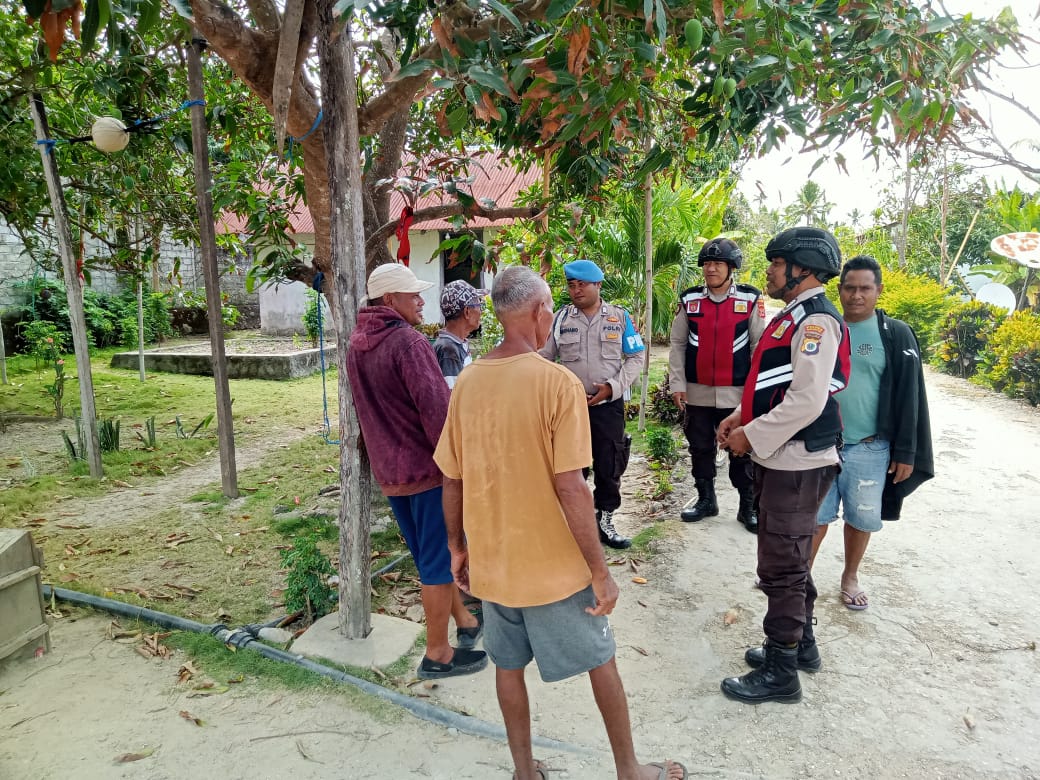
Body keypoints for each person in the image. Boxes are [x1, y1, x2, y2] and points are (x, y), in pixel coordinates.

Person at [434, 265, 687, 780]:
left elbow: (452, 480)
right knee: (602, 659)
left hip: (495, 564)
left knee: (507, 669)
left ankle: (525, 772)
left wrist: (457, 548)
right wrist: (600, 570)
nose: (554, 312)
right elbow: (571, 485)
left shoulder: (469, 382)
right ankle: (629, 770)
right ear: (537, 312)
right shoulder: (557, 384)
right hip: (552, 567)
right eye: (550, 305)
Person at [715, 227, 851, 704]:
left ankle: (781, 670)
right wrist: (740, 414)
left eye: (777, 262)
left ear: (804, 269)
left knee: (782, 565)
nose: (770, 270)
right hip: (784, 456)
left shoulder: (816, 321)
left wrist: (749, 436)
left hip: (796, 460)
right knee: (790, 558)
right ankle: (803, 646)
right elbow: (771, 382)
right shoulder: (792, 316)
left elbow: (807, 400)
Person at [346, 263, 486, 680]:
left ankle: (465, 623)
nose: (422, 301)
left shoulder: (357, 344)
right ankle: (437, 653)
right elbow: (436, 410)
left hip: (391, 472)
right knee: (438, 561)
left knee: (430, 558)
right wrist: (459, 462)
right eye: (413, 295)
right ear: (389, 300)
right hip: (427, 470)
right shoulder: (408, 342)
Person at [810, 255, 934, 610]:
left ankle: (850, 576)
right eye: (849, 288)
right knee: (816, 516)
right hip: (822, 443)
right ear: (839, 289)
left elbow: (911, 397)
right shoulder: (825, 326)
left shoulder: (894, 334)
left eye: (865, 288)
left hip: (869, 447)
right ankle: (802, 576)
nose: (856, 295)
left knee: (861, 517)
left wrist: (906, 452)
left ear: (878, 290)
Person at [539, 259, 645, 550]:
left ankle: (605, 521)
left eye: (582, 285)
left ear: (598, 285)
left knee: (609, 464)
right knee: (572, 468)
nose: (576, 290)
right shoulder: (561, 319)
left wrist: (613, 387)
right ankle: (574, 524)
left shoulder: (619, 318)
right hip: (570, 409)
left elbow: (636, 357)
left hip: (608, 407)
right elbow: (543, 359)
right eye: (571, 285)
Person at [668, 237, 766, 532]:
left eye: (718, 264)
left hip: (736, 393)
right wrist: (677, 383)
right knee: (700, 447)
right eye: (707, 264)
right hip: (697, 391)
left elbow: (759, 346)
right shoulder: (690, 300)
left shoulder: (749, 299)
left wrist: (754, 392)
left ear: (731, 267)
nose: (711, 269)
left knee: (740, 450)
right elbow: (677, 342)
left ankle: (747, 506)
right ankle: (706, 499)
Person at [433, 279, 488, 388]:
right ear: (467, 311)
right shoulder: (449, 351)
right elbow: (452, 399)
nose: (481, 311)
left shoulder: (455, 344)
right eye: (479, 305)